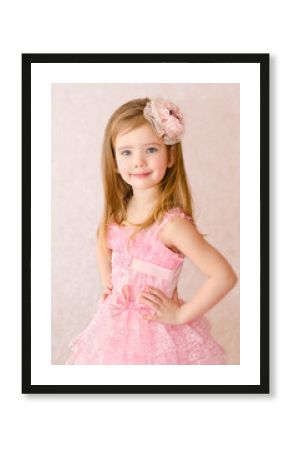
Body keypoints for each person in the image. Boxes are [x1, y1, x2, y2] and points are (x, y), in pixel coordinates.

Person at [65, 97, 238, 365]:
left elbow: (223, 276)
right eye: (126, 152)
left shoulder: (172, 226)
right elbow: (102, 240)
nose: (139, 162)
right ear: (113, 161)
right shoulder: (117, 212)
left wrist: (180, 316)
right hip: (112, 329)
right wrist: (109, 283)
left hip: (157, 334)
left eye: (151, 150)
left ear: (170, 156)